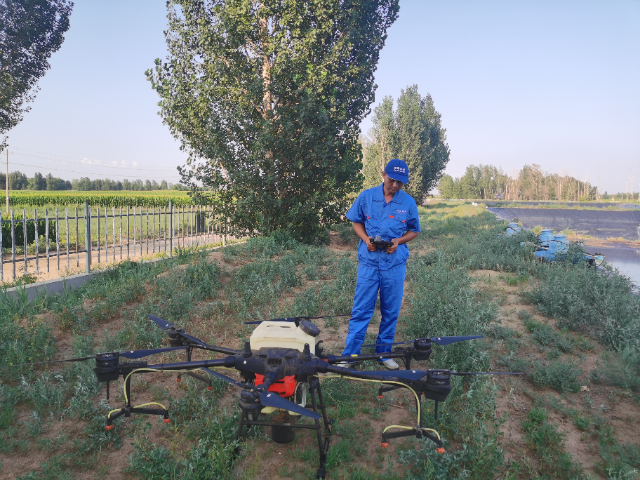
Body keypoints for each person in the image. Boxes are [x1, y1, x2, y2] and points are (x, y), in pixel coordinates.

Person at [341, 159, 421, 370]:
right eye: (392, 180)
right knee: (361, 310)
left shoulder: (408, 202)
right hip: (369, 264)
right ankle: (351, 355)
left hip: (394, 265)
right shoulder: (366, 197)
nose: (395, 185)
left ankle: (383, 353)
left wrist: (398, 242)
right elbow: (355, 221)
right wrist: (367, 240)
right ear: (383, 174)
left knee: (390, 310)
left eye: (400, 183)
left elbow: (414, 230)